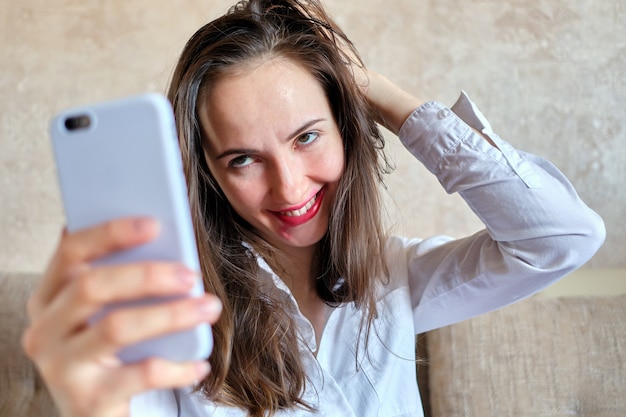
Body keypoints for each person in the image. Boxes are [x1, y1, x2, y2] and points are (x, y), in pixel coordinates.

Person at [22, 0, 605, 416]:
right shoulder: (177, 319)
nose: (289, 187)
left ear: (349, 129)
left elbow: (561, 237)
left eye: (306, 137)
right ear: (208, 174)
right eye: (243, 159)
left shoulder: (396, 280)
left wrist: (370, 88)